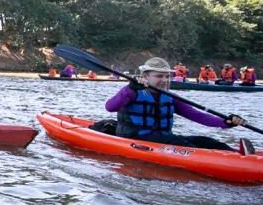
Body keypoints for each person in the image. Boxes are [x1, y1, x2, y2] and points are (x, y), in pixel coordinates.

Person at [105, 57, 252, 154]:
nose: (164, 80)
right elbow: (110, 107)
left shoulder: (169, 97)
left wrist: (225, 122)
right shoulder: (132, 92)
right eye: (159, 76)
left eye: (167, 76)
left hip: (163, 139)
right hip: (136, 139)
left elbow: (197, 115)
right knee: (180, 142)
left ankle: (238, 155)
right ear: (145, 77)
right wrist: (130, 88)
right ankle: (221, 161)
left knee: (205, 141)